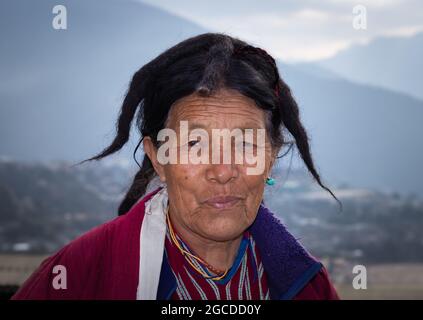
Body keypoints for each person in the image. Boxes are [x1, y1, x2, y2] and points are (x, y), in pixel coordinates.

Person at [12, 33, 340, 300]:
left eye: (244, 144)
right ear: (158, 158)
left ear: (271, 156)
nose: (223, 171)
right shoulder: (76, 278)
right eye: (194, 145)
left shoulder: (307, 285)